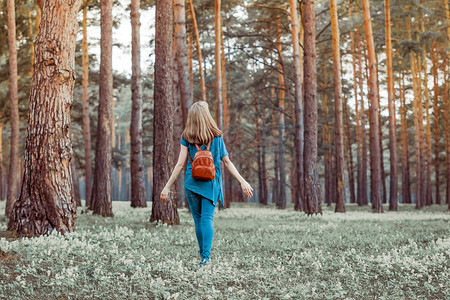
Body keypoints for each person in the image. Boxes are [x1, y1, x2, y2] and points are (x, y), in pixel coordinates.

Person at [160, 101, 253, 267]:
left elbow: (180, 164)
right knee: (207, 219)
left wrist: (167, 186)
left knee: (198, 220)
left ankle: (202, 254)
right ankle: (205, 258)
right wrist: (243, 181)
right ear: (207, 116)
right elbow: (227, 161)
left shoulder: (186, 136)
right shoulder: (216, 136)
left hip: (191, 183)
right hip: (211, 183)